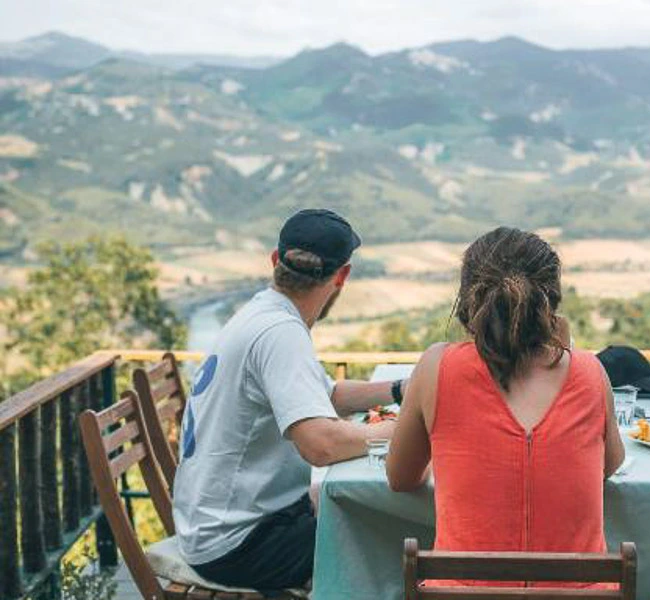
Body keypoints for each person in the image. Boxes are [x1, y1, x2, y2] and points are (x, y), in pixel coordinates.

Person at [173, 209, 402, 594]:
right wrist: (404, 430)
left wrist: (400, 389)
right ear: (342, 276)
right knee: (394, 541)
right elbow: (321, 445)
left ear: (276, 260)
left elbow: (326, 396)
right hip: (240, 544)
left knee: (364, 515)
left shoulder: (261, 314)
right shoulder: (280, 333)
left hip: (218, 526)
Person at [386, 226, 625, 587]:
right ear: (551, 301)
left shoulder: (436, 367)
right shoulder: (591, 372)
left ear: (469, 301)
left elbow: (401, 477)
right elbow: (609, 464)